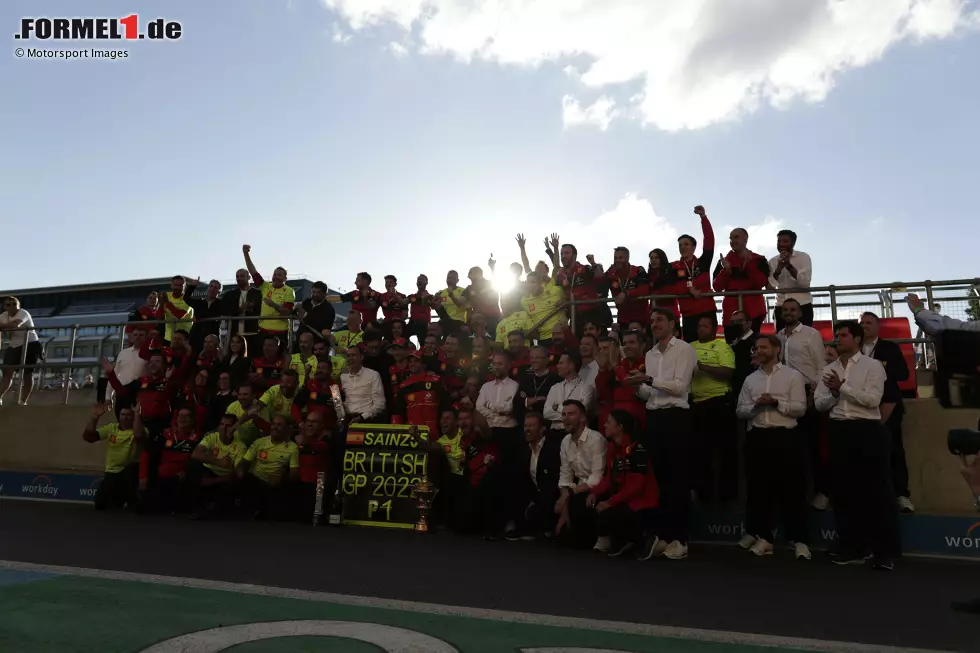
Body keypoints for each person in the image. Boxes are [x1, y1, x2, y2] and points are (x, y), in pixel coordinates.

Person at [814, 321, 900, 570]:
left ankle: (884, 552)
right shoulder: (828, 369)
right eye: (836, 335)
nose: (837, 339)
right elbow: (819, 404)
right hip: (839, 430)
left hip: (867, 431)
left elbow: (873, 400)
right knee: (843, 492)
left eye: (843, 335)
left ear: (857, 339)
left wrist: (843, 388)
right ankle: (851, 546)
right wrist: (833, 394)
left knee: (876, 492)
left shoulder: (872, 366)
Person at [735, 334, 810, 560]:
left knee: (793, 490)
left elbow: (800, 408)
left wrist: (776, 402)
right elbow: (740, 411)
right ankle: (764, 537)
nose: (759, 351)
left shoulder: (792, 376)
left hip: (786, 438)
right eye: (757, 347)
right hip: (758, 438)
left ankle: (800, 540)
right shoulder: (750, 380)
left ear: (777, 349)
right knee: (759, 490)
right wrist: (756, 406)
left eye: (764, 347)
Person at [633, 308, 697, 560]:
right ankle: (664, 536)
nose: (654, 324)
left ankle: (681, 540)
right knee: (659, 481)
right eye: (651, 321)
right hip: (655, 418)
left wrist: (648, 379)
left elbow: (680, 387)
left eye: (659, 320)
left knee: (678, 481)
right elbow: (650, 393)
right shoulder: (649, 354)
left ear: (673, 323)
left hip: (676, 419)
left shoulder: (684, 349)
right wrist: (638, 386)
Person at [777, 298, 830, 509]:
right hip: (787, 394)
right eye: (785, 310)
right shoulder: (778, 336)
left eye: (793, 310)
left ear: (800, 314)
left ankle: (823, 492)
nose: (789, 313)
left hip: (809, 392)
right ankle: (796, 496)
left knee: (815, 447)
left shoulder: (811, 334)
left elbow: (821, 366)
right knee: (792, 449)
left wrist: (814, 394)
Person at [859, 312, 914, 513]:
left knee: (894, 450)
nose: (864, 326)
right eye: (861, 323)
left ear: (877, 326)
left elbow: (903, 373)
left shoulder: (889, 347)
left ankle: (901, 495)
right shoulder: (854, 349)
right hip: (860, 406)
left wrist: (877, 372)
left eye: (868, 323)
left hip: (888, 405)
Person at [588, 410, 662, 559]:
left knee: (607, 515)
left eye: (609, 422)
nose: (604, 425)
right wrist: (594, 493)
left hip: (642, 503)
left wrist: (609, 502)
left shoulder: (636, 449)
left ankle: (645, 539)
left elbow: (636, 488)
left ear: (620, 427)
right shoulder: (612, 449)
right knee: (592, 509)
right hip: (623, 500)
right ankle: (626, 540)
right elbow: (609, 479)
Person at [690, 314, 737, 504]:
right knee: (701, 453)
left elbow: (728, 372)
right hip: (697, 404)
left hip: (719, 403)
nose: (701, 329)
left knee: (726, 452)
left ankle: (728, 497)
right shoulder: (689, 347)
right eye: (699, 326)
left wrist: (703, 367)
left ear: (714, 329)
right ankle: (705, 497)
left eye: (705, 326)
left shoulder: (722, 346)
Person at [554, 399, 606, 549]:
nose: (565, 418)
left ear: (582, 417)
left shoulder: (596, 439)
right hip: (575, 490)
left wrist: (568, 495)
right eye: (564, 414)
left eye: (571, 414)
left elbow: (597, 479)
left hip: (597, 490)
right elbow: (565, 476)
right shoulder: (565, 441)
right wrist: (564, 510)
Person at [508, 411, 562, 541]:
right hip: (536, 495)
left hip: (554, 496)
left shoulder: (553, 448)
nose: (527, 429)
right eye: (526, 426)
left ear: (542, 429)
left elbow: (554, 481)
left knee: (535, 511)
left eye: (532, 426)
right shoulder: (525, 450)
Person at [137, 406, 200, 514]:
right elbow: (146, 454)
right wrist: (143, 477)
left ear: (193, 419)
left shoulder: (198, 438)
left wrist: (187, 471)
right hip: (161, 476)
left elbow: (199, 460)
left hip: (182, 478)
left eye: (187, 416)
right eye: (180, 416)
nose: (183, 419)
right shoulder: (165, 435)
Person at [237, 414, 300, 520]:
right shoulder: (259, 442)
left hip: (275, 483)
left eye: (279, 425)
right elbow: (244, 462)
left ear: (287, 429)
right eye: (273, 424)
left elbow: (294, 474)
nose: (274, 427)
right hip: (256, 479)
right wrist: (240, 470)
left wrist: (283, 478)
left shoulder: (292, 447)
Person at [669, 206, 716, 342]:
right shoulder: (674, 267)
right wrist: (688, 289)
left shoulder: (703, 263)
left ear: (694, 247)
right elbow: (671, 287)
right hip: (689, 315)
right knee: (691, 350)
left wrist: (703, 217)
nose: (682, 247)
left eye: (686, 244)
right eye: (680, 245)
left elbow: (709, 240)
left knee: (710, 349)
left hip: (707, 311)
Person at [82, 403, 141, 510]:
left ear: (133, 417)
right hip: (112, 472)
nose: (125, 417)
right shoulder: (112, 428)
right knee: (100, 504)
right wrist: (94, 418)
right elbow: (89, 437)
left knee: (134, 506)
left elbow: (139, 436)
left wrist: (137, 414)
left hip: (130, 472)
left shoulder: (139, 430)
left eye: (129, 415)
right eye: (123, 414)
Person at [188, 413, 246, 519]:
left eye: (228, 426)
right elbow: (196, 454)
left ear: (234, 429)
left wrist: (212, 481)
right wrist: (220, 462)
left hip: (224, 478)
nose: (223, 428)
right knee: (194, 465)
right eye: (221, 424)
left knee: (234, 483)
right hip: (209, 470)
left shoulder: (240, 446)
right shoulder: (211, 437)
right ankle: (197, 509)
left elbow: (238, 474)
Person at [713, 228, 770, 330]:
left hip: (753, 314)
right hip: (730, 317)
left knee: (753, 345)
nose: (732, 241)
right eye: (731, 238)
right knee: (732, 345)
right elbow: (717, 287)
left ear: (745, 239)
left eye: (736, 237)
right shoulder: (723, 262)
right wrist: (726, 270)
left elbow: (761, 282)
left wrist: (749, 265)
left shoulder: (759, 260)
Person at [242, 244, 296, 352]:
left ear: (285, 278)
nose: (275, 276)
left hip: (281, 331)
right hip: (263, 330)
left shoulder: (289, 290)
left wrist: (273, 305)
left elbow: (287, 312)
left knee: (279, 360)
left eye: (279, 275)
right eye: (274, 274)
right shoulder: (266, 286)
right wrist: (246, 254)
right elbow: (253, 271)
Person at [476, 351, 521, 475]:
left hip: (509, 432)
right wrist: (495, 415)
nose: (496, 367)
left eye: (500, 364)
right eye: (494, 364)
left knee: (507, 470)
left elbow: (510, 408)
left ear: (508, 366)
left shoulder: (514, 386)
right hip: (489, 432)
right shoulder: (486, 386)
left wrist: (490, 406)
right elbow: (479, 406)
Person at [556, 240, 611, 337]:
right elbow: (559, 293)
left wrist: (593, 264)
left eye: (567, 253)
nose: (563, 256)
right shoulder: (560, 275)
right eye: (562, 254)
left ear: (574, 256)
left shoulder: (584, 269)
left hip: (592, 313)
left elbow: (600, 278)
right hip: (575, 315)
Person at [0, 296, 42, 406]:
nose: (12, 306)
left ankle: (23, 401)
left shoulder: (23, 313)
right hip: (14, 345)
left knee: (27, 373)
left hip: (30, 344)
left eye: (14, 304)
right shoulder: (3, 316)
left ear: (18, 305)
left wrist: (2, 326)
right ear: (4, 307)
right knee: (7, 372)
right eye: (8, 304)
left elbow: (15, 325)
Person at [391, 352, 445, 435]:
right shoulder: (403, 386)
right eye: (410, 361)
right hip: (412, 431)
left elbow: (444, 404)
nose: (412, 364)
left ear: (423, 364)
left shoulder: (436, 381)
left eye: (416, 361)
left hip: (434, 430)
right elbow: (399, 411)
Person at [769, 230, 814, 330]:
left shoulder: (803, 257)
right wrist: (778, 270)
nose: (781, 244)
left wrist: (789, 266)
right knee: (781, 340)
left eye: (785, 241)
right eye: (779, 241)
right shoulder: (772, 261)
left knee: (804, 339)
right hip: (780, 306)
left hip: (802, 305)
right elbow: (770, 287)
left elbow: (805, 284)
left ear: (793, 243)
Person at [543, 351, 596, 431]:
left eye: (561, 363)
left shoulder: (586, 388)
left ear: (571, 366)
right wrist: (571, 414)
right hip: (556, 433)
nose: (557, 366)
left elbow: (580, 413)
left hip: (578, 433)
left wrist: (557, 407)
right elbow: (546, 413)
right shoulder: (555, 388)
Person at [605, 247, 651, 328]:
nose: (617, 260)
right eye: (615, 258)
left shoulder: (638, 270)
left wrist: (626, 293)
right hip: (623, 319)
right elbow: (599, 282)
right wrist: (594, 265)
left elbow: (645, 290)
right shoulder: (612, 274)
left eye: (620, 258)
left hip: (641, 318)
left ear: (627, 258)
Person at [514, 345, 561, 425]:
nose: (534, 360)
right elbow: (516, 403)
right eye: (532, 358)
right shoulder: (525, 380)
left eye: (537, 358)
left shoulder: (557, 380)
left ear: (546, 360)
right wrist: (536, 400)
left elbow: (554, 406)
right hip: (526, 425)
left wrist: (528, 402)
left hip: (547, 425)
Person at [222, 268, 263, 355]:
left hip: (253, 332)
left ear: (249, 277)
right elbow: (225, 311)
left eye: (242, 276)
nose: (239, 278)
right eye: (237, 276)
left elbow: (262, 310)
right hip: (235, 333)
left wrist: (252, 308)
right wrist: (241, 308)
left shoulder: (258, 293)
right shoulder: (230, 295)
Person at [341, 345, 386, 423]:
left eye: (354, 355)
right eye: (348, 356)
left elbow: (380, 404)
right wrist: (340, 405)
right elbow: (348, 400)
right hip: (347, 419)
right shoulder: (343, 376)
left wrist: (362, 417)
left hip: (367, 419)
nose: (350, 358)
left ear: (361, 357)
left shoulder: (373, 375)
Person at [183, 278, 224, 354]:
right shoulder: (199, 302)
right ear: (208, 288)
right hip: (196, 336)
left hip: (212, 336)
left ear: (219, 291)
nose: (212, 289)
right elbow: (186, 298)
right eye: (211, 286)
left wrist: (199, 317)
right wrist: (192, 286)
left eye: (216, 287)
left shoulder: (221, 304)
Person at [294, 281, 336, 349]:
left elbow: (322, 327)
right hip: (300, 341)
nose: (315, 294)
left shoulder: (328, 309)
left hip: (315, 345)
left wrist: (303, 313)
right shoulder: (307, 302)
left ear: (325, 294)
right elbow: (297, 315)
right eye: (313, 292)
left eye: (318, 292)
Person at [160, 276, 195, 346]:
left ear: (185, 286)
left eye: (180, 285)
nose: (177, 287)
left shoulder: (188, 299)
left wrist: (167, 303)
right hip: (169, 338)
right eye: (175, 285)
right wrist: (161, 304)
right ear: (171, 285)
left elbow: (180, 315)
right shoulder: (166, 295)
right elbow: (159, 317)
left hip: (184, 339)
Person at [434, 270, 467, 335]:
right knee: (433, 328)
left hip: (458, 322)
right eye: (448, 278)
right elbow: (435, 307)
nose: (450, 280)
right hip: (444, 321)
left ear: (457, 280)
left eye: (452, 278)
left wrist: (452, 295)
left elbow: (461, 304)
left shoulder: (463, 291)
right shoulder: (440, 292)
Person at [405, 275, 436, 346]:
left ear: (426, 282)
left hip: (423, 324)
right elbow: (403, 302)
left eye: (422, 279)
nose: (419, 281)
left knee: (423, 344)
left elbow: (434, 306)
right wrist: (394, 294)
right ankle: (412, 349)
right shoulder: (412, 296)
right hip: (412, 322)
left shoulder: (430, 296)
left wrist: (428, 300)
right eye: (418, 280)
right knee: (403, 336)